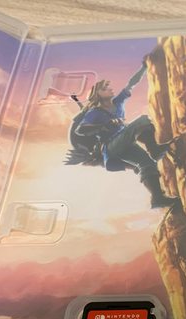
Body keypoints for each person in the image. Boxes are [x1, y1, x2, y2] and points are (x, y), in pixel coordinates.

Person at [73, 56, 174, 208]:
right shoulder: (95, 112)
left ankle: (157, 198)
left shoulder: (118, 102)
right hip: (111, 146)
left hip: (125, 144)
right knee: (143, 120)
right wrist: (103, 125)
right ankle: (154, 149)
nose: (110, 89)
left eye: (108, 87)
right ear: (97, 95)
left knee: (147, 163)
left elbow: (131, 84)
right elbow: (80, 130)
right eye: (105, 89)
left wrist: (143, 68)